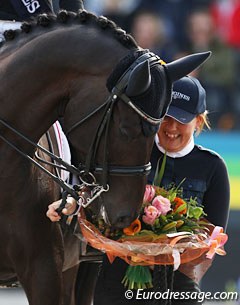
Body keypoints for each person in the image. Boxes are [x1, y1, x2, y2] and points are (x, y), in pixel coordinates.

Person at [46, 76, 230, 304]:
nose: (171, 128)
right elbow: (95, 189)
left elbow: (214, 233)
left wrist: (167, 245)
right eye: (166, 118)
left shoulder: (212, 166)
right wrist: (73, 203)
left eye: (182, 120)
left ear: (199, 122)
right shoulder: (131, 153)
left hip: (178, 284)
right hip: (118, 280)